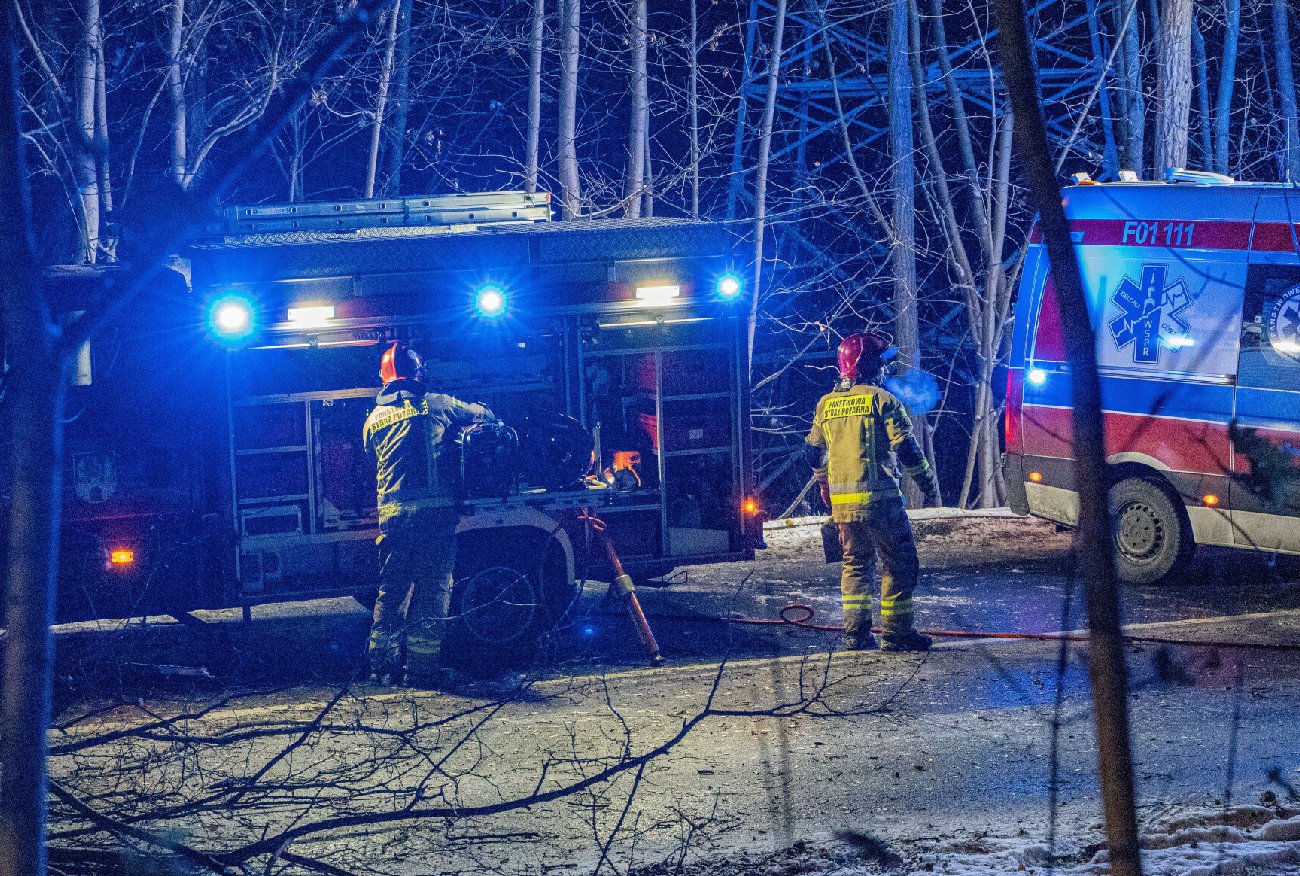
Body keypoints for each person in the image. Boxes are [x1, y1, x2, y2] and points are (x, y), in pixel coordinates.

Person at [363, 342, 492, 686]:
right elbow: (483, 417)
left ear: (385, 379)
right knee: (432, 590)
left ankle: (381, 667)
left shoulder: (373, 419)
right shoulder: (438, 404)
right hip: (433, 517)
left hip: (392, 519)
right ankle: (421, 671)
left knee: (392, 591)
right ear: (419, 373)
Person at [805, 331, 941, 652]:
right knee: (899, 563)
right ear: (869, 366)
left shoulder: (826, 405)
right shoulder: (882, 400)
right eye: (882, 364)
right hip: (881, 503)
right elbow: (905, 447)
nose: (885, 371)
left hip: (843, 509)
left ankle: (856, 635)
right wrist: (927, 483)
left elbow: (812, 453)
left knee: (855, 565)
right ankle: (896, 635)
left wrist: (825, 486)